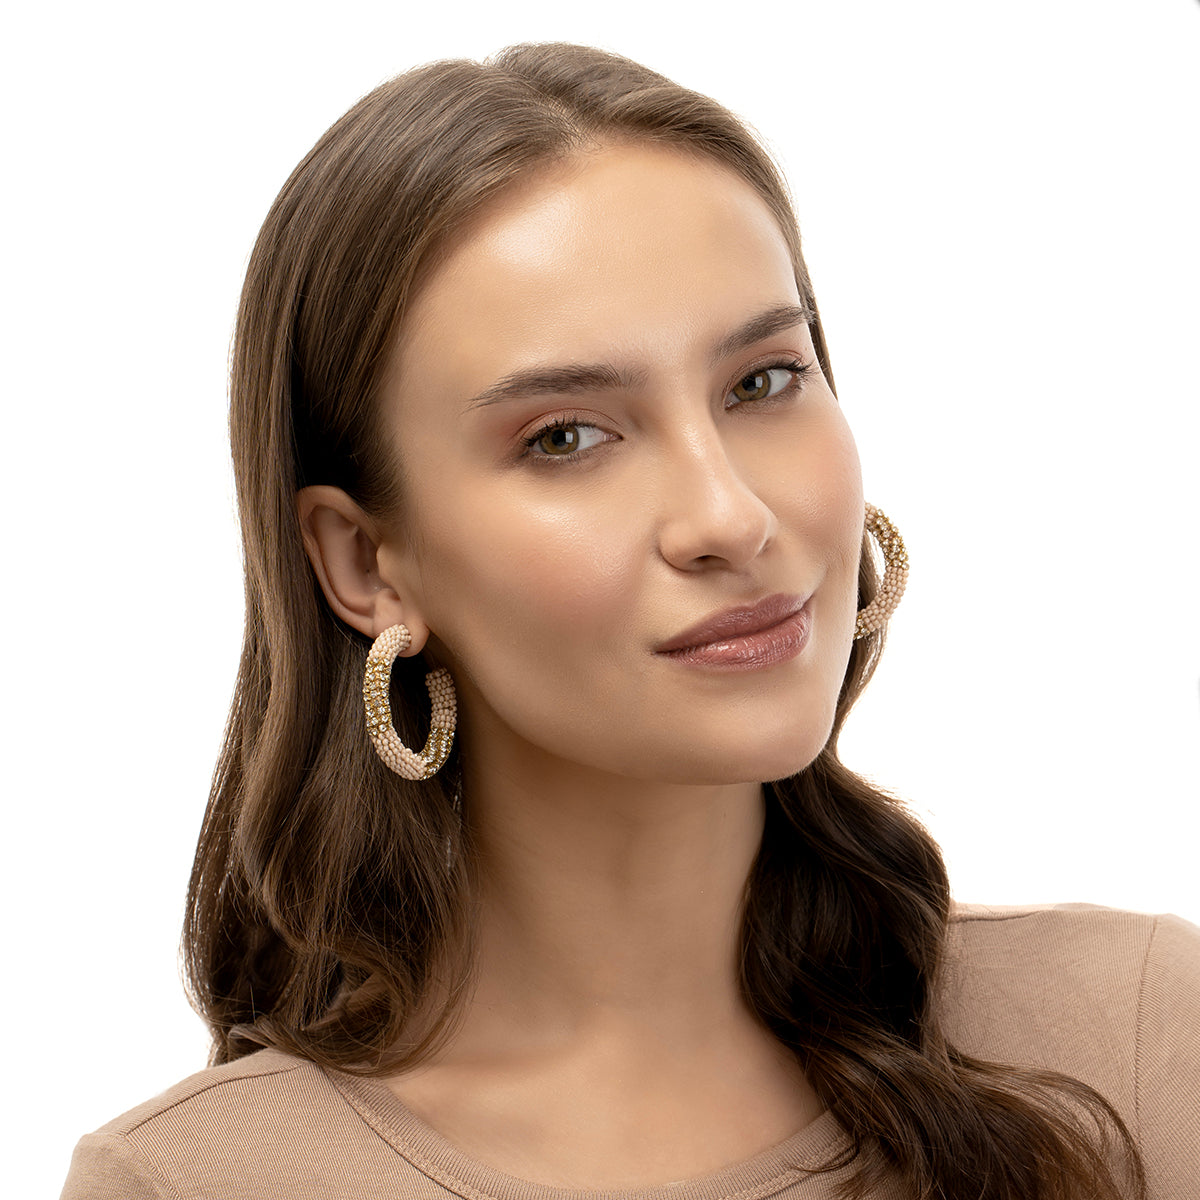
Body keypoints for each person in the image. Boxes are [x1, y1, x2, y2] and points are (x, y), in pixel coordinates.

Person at [60, 42, 1198, 1200]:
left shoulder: (1137, 1045)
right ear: (366, 562)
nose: (730, 516)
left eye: (762, 381)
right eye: (565, 437)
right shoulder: (194, 1180)